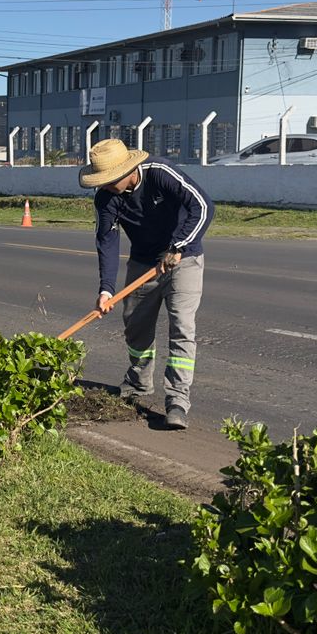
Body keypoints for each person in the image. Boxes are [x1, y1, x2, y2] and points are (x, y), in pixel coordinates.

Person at [79, 139, 212, 430]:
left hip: (183, 260)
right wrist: (106, 289)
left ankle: (177, 400)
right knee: (135, 325)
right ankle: (138, 383)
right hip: (143, 264)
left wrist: (178, 245)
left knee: (182, 328)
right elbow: (107, 241)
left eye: (111, 179)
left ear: (129, 169)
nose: (106, 186)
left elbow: (202, 206)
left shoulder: (161, 173)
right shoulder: (106, 199)